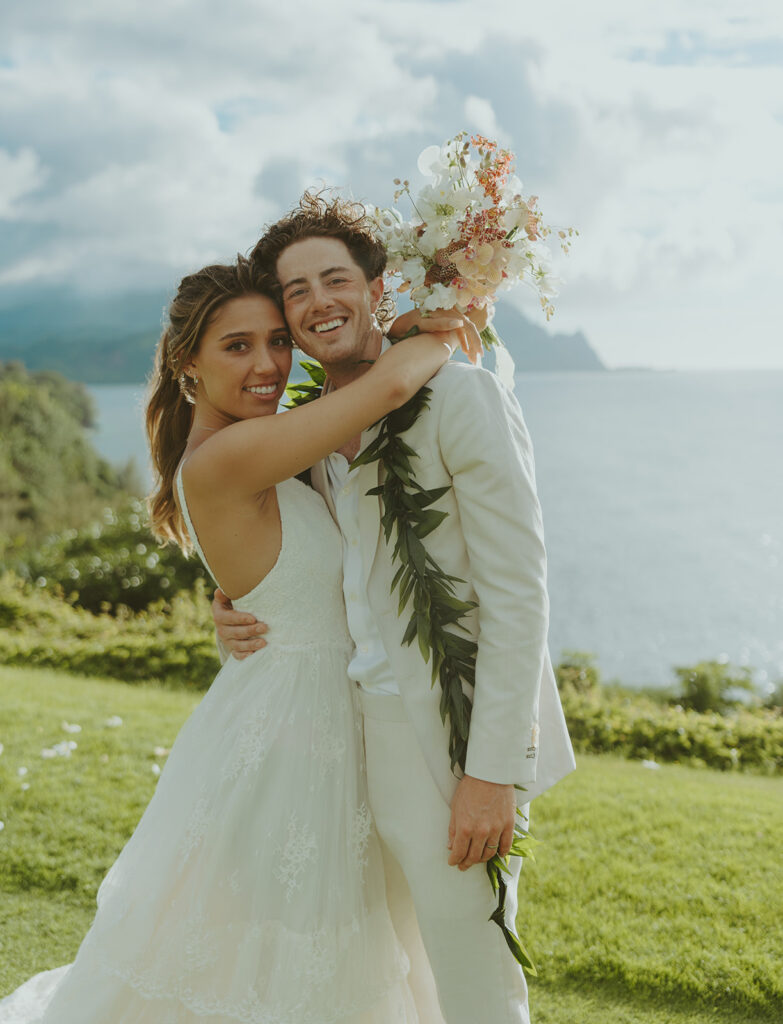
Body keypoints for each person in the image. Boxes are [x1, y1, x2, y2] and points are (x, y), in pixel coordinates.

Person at [0, 257, 474, 1024]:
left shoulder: (263, 438)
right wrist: (459, 318)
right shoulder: (228, 455)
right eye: (236, 347)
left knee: (306, 949)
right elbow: (385, 388)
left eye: (277, 342)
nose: (268, 365)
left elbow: (338, 421)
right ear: (188, 362)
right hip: (288, 736)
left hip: (321, 715)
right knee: (267, 952)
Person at [213, 193, 577, 1024]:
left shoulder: (460, 396)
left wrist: (490, 773)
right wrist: (227, 601)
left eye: (333, 278)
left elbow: (519, 596)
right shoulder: (309, 429)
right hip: (333, 736)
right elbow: (307, 561)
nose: (316, 303)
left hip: (442, 736)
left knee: (471, 963)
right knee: (375, 964)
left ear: (377, 285)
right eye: (295, 292)